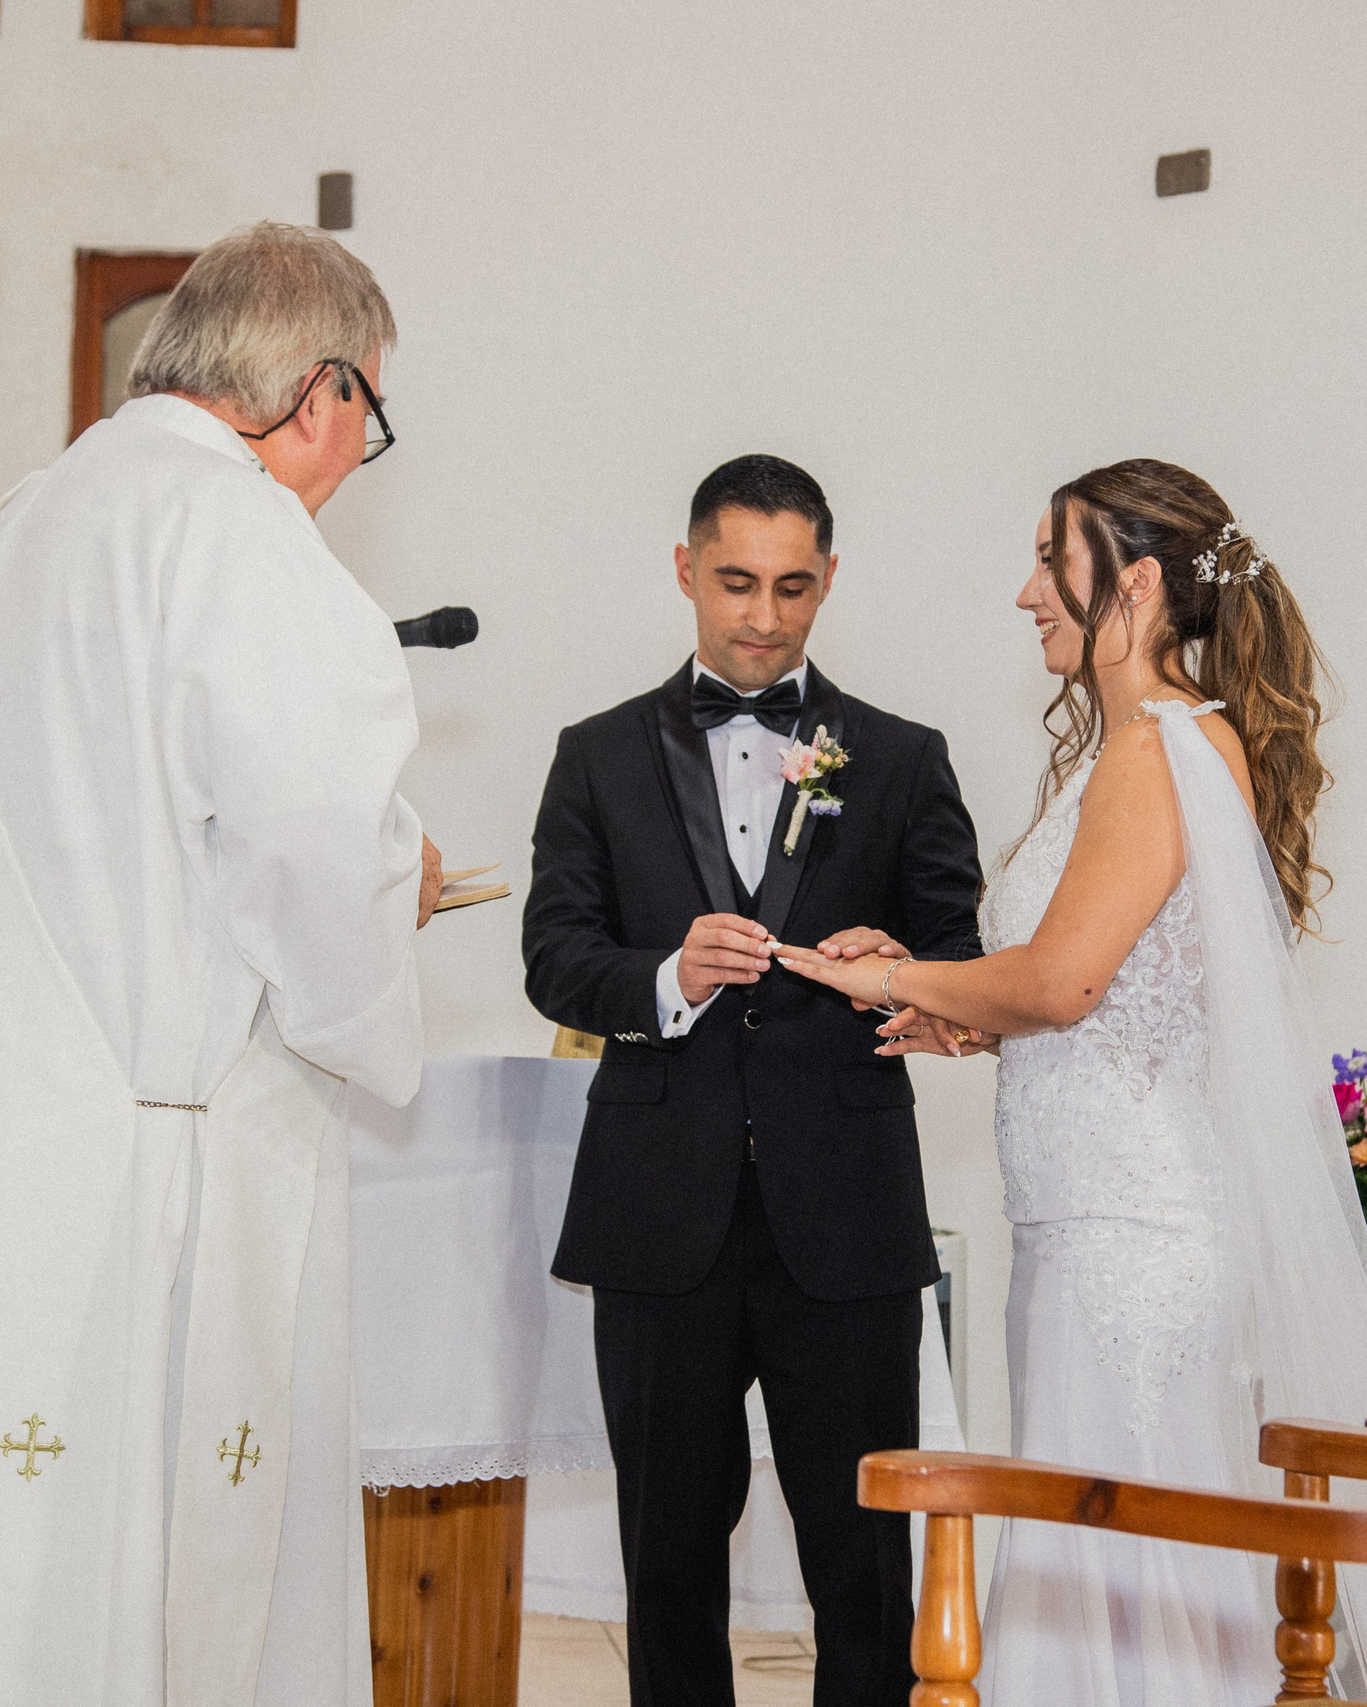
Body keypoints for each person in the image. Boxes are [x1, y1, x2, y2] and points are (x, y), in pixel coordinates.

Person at [0, 222, 438, 1707]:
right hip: (134, 1173)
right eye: (371, 413)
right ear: (318, 392)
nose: (358, 455)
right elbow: (307, 849)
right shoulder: (240, 536)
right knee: (118, 1588)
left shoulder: (34, 515)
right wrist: (393, 888)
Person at [775, 460, 1367, 1704]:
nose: (1024, 594)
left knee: (1120, 1542)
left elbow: (1062, 984)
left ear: (1138, 580)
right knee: (1109, 1537)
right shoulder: (1151, 749)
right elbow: (1104, 996)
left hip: (1130, 1235)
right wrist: (957, 1008)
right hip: (1091, 1213)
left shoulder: (1156, 751)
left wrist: (898, 976)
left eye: (1048, 561)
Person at [522, 454, 984, 1707]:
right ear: (684, 570)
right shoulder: (595, 755)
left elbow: (961, 956)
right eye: (735, 582)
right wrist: (667, 978)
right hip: (654, 1205)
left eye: (792, 586)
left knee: (864, 1556)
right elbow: (555, 962)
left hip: (845, 1210)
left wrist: (905, 969)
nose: (763, 616)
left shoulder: (899, 757)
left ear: (829, 580)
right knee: (665, 1554)